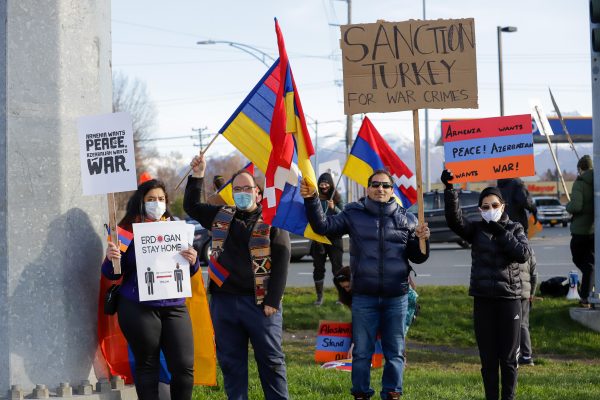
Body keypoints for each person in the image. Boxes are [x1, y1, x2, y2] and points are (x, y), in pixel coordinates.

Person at [301, 169, 430, 400]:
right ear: (367, 188)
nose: (380, 189)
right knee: (361, 353)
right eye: (375, 184)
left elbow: (418, 257)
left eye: (385, 186)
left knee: (395, 353)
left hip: (396, 297)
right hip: (364, 298)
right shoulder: (353, 213)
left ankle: (392, 392)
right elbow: (323, 227)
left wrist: (423, 239)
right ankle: (361, 394)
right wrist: (311, 200)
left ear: (392, 190)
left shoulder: (407, 218)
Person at [184, 153, 290, 400]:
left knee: (272, 363)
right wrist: (197, 175)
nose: (242, 192)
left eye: (247, 188)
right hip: (224, 304)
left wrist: (273, 301)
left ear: (258, 193)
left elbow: (283, 260)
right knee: (231, 365)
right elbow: (191, 206)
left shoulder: (273, 221)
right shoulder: (220, 215)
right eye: (237, 188)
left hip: (261, 305)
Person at [102, 179, 200, 400]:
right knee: (147, 366)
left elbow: (189, 270)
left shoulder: (176, 228)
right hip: (138, 308)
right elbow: (112, 274)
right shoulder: (126, 231)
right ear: (141, 202)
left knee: (184, 366)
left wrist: (193, 260)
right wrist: (112, 259)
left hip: (174, 306)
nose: (157, 203)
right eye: (151, 199)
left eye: (161, 199)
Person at [442, 169, 531, 400]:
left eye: (494, 205)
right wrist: (450, 190)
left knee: (509, 359)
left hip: (509, 301)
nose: (490, 210)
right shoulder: (477, 230)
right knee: (488, 359)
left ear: (503, 206)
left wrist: (500, 230)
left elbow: (522, 254)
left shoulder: (515, 228)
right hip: (483, 300)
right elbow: (455, 220)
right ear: (480, 209)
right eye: (485, 206)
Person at [311, 172, 345, 306]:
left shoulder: (336, 198)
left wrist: (334, 208)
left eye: (326, 183)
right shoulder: (315, 198)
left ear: (331, 184)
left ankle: (342, 297)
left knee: (338, 269)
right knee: (318, 268)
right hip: (319, 238)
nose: (323, 186)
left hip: (335, 238)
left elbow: (343, 216)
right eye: (321, 183)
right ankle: (319, 297)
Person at [566, 155, 595, 307]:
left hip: (581, 230)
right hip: (594, 228)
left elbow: (576, 206)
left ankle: (585, 296)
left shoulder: (580, 183)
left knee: (581, 261)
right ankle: (588, 289)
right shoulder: (596, 181)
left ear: (580, 168)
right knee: (590, 263)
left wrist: (567, 206)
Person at [518, 251, 538, 366]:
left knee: (516, 325)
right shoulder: (528, 249)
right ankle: (526, 355)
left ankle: (524, 355)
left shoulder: (508, 244)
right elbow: (534, 274)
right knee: (523, 324)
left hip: (512, 291)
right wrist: (532, 293)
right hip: (525, 293)